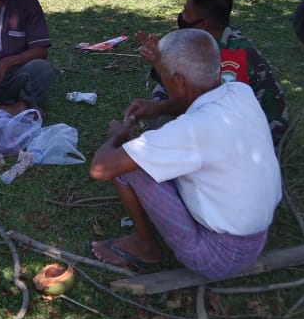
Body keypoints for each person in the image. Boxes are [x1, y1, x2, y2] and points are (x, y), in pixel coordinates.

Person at [89, 29, 282, 278]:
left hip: (219, 257)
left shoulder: (192, 130)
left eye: (165, 79)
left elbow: (101, 168)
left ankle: (145, 247)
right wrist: (158, 108)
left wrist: (118, 133)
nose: (164, 83)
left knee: (130, 168)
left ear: (179, 81)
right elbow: (190, 97)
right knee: (149, 158)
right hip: (255, 237)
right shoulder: (240, 91)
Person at [127, 0, 288, 147]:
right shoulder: (204, 40)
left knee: (169, 127)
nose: (181, 16)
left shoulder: (233, 59)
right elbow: (180, 82)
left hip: (256, 138)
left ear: (204, 24)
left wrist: (157, 109)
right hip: (225, 117)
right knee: (163, 97)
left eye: (186, 11)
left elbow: (208, 109)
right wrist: (159, 60)